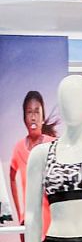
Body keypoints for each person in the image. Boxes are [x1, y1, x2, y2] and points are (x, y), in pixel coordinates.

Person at [10, 90, 56, 225]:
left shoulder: (53, 144)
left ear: (42, 117)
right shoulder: (19, 148)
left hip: (53, 223)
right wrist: (20, 214)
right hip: (30, 223)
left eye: (36, 111)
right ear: (24, 118)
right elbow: (11, 178)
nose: (33, 117)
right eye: (29, 112)